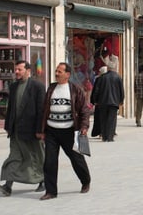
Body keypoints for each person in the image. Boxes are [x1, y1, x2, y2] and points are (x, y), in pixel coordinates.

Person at [39, 62, 91, 201]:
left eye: (60, 71)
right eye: (56, 71)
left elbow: (84, 110)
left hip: (69, 131)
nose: (56, 73)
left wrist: (84, 127)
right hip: (52, 131)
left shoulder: (75, 90)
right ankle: (51, 191)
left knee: (76, 159)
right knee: (49, 161)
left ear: (67, 74)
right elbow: (44, 110)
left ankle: (85, 181)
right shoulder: (51, 88)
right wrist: (41, 130)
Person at [0, 60, 46, 196]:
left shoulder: (37, 86)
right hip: (16, 131)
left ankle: (43, 180)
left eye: (19, 69)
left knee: (37, 156)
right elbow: (10, 108)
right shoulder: (13, 86)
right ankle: (8, 185)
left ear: (28, 71)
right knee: (14, 157)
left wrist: (40, 130)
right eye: (15, 69)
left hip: (31, 131)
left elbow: (41, 109)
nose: (16, 72)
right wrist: (8, 126)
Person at [90, 59, 124, 142]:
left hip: (103, 102)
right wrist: (121, 100)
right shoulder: (118, 77)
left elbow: (97, 90)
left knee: (103, 119)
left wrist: (95, 100)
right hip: (114, 102)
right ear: (114, 68)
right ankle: (110, 137)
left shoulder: (102, 78)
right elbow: (121, 90)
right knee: (112, 120)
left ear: (108, 68)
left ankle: (104, 136)